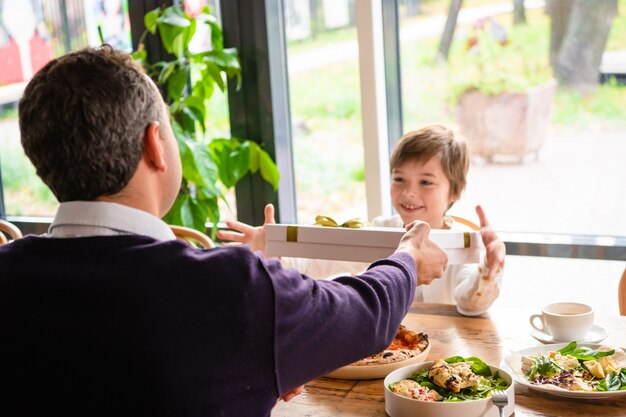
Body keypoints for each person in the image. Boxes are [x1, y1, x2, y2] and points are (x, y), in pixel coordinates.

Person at [0, 45, 448, 417]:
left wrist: (246, 377)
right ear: (155, 144)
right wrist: (408, 256)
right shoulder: (233, 288)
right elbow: (366, 313)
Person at [218, 125, 506, 316]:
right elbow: (318, 265)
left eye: (426, 183)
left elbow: (469, 302)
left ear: (454, 191)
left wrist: (488, 273)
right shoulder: (379, 232)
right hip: (385, 353)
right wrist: (275, 251)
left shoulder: (462, 244)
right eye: (399, 179)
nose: (408, 193)